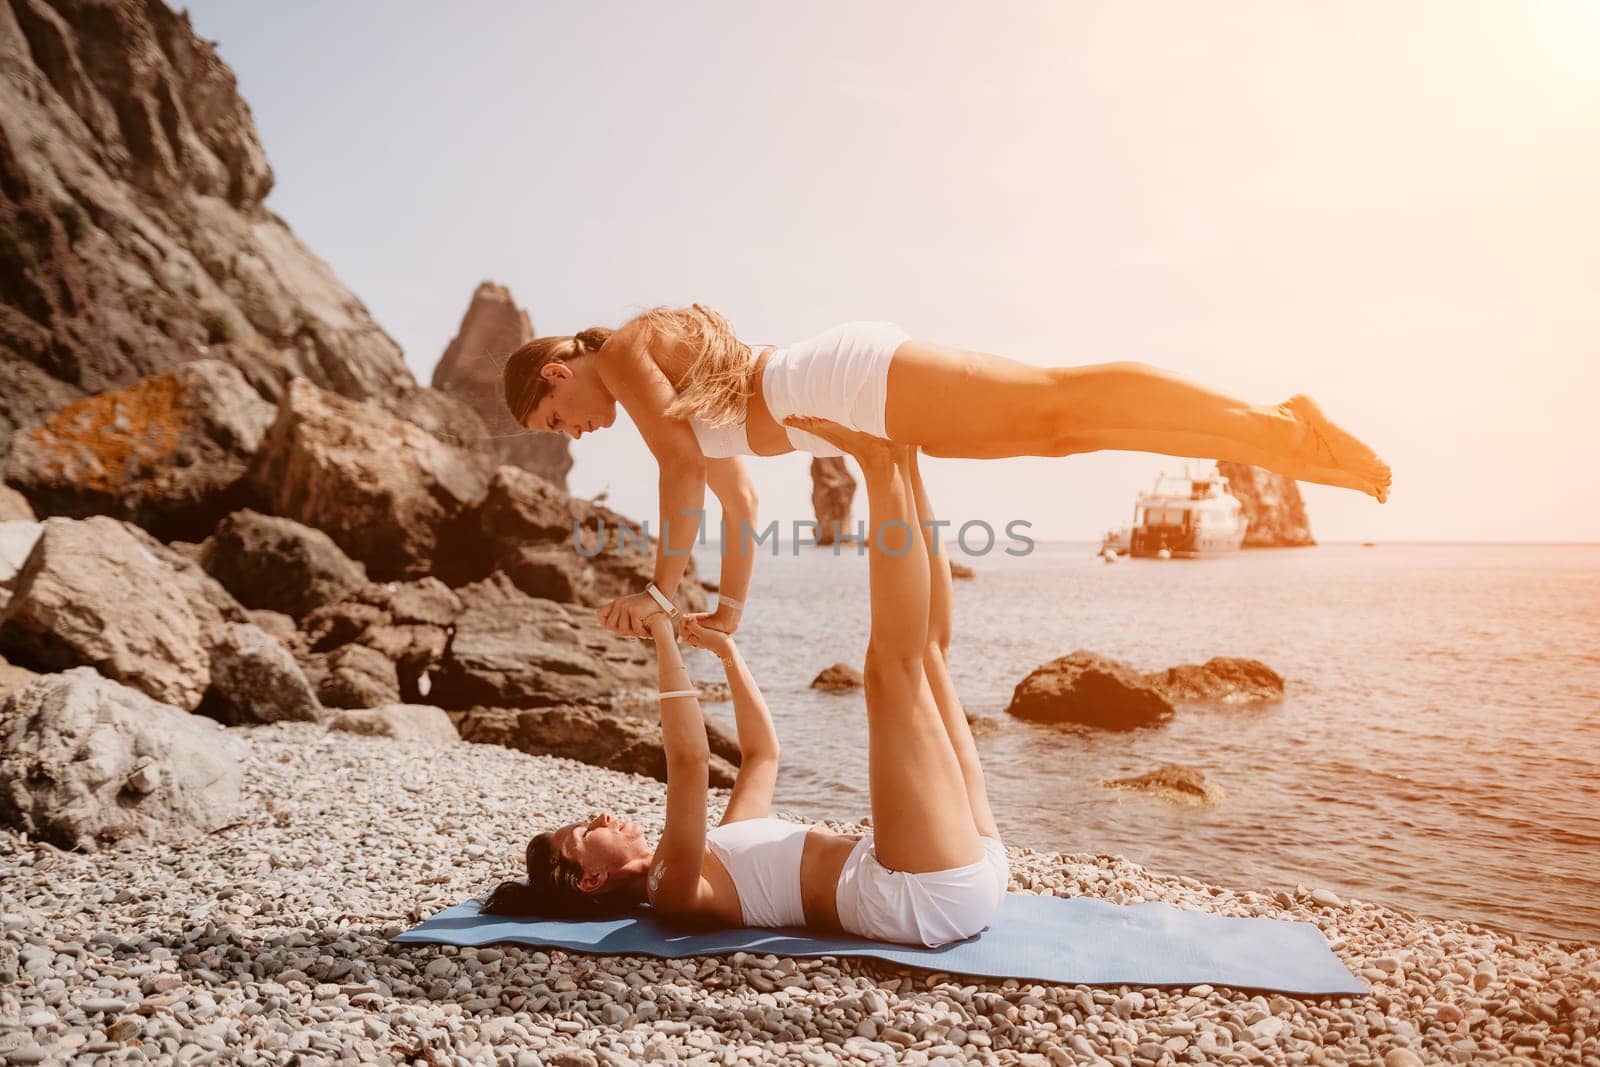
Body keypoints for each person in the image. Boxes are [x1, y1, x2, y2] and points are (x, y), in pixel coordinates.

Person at [501, 307, 1391, 639]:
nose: (571, 431)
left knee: (1055, 401)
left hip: (840, 382)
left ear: (553, 375)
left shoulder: (620, 350)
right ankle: (1267, 431)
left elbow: (682, 468)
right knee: (1058, 435)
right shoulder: (648, 372)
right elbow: (735, 494)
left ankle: (1276, 424)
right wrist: (728, 609)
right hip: (843, 403)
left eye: (554, 418)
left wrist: (657, 591)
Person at [482, 424, 1009, 948]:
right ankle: (877, 463)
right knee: (892, 670)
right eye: (582, 834)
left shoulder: (717, 848)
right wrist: (663, 632)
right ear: (590, 879)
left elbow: (762, 756)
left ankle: (903, 457)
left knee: (930, 654)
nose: (599, 815)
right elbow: (689, 764)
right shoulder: (672, 888)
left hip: (957, 863)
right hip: (920, 894)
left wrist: (728, 655)